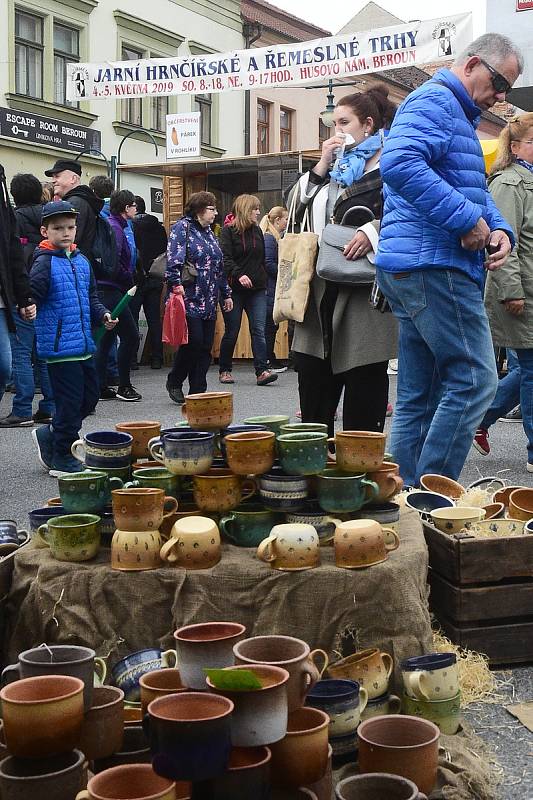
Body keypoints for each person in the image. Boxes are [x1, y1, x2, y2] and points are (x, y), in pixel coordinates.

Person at [375, 33, 522, 485]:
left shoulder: (454, 112)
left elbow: (470, 189)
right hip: (434, 265)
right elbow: (398, 164)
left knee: (421, 394)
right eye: (499, 83)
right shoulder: (436, 102)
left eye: (507, 90)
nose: (501, 96)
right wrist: (464, 222)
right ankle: (432, 495)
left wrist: (498, 227)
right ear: (473, 64)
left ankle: (400, 501)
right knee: (476, 381)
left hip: (418, 264)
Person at [288, 85, 398, 437]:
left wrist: (373, 231)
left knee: (364, 392)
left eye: (344, 123)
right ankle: (312, 472)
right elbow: (295, 215)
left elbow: (411, 215)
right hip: (319, 287)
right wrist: (321, 165)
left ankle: (358, 477)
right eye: (332, 124)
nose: (336, 132)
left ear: (368, 124)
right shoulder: (332, 169)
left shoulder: (393, 162)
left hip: (363, 290)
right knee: (313, 392)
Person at [30, 201, 117, 475]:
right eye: (58, 228)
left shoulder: (81, 260)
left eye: (70, 227)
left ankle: (51, 433)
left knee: (89, 399)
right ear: (45, 231)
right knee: (69, 403)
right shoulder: (43, 262)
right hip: (59, 348)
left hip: (83, 344)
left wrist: (102, 315)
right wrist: (28, 303)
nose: (65, 233)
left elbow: (91, 298)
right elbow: (33, 293)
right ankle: (62, 457)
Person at [473, 113, 533, 471]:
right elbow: (503, 243)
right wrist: (511, 291)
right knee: (531, 370)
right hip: (521, 291)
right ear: (515, 146)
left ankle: (479, 418)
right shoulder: (510, 184)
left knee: (527, 369)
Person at [165, 191, 232, 402]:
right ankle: (175, 380)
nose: (216, 213)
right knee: (193, 342)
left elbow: (218, 267)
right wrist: (175, 285)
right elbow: (173, 260)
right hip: (189, 296)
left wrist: (226, 294)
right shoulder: (182, 228)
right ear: (199, 210)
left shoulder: (210, 232)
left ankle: (197, 391)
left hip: (210, 298)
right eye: (212, 209)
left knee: (205, 348)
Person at [0, 174, 54, 428]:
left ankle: (21, 409)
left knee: (20, 353)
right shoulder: (49, 217)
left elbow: (12, 258)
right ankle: (49, 406)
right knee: (42, 353)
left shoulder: (14, 217)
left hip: (20, 289)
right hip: (45, 290)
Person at [218, 194, 277, 386]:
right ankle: (225, 369)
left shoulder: (258, 232)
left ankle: (262, 371)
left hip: (257, 289)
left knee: (258, 329)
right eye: (255, 208)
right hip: (234, 289)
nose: (259, 212)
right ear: (245, 209)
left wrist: (262, 280)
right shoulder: (228, 231)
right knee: (232, 330)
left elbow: (261, 260)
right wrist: (238, 274)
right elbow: (225, 259)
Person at [94, 189, 141, 402]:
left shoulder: (115, 226)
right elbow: (116, 263)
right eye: (133, 205)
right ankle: (124, 386)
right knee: (130, 336)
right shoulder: (116, 229)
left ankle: (100, 386)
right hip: (112, 290)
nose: (136, 208)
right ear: (125, 208)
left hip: (107, 289)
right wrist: (129, 279)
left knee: (107, 339)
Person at [0, 163, 36, 406]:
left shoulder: (6, 212)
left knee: (5, 365)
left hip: (3, 300)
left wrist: (24, 298)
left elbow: (14, 255)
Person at [131, 195, 168, 369]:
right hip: (155, 276)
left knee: (132, 318)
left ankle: (132, 359)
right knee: (154, 319)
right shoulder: (159, 228)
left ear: (135, 208)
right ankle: (157, 358)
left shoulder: (132, 226)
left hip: (137, 277)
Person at [45, 159, 103, 261]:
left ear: (73, 179)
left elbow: (70, 243)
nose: (53, 180)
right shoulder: (82, 200)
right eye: (53, 177)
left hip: (74, 266)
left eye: (57, 176)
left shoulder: (74, 203)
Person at [259, 206, 288, 372]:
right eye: (285, 219)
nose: (286, 222)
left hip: (270, 288)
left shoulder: (272, 237)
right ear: (277, 220)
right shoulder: (270, 238)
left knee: (270, 325)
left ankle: (269, 357)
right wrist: (284, 276)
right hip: (269, 288)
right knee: (269, 326)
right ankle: (268, 359)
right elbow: (269, 263)